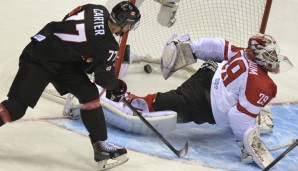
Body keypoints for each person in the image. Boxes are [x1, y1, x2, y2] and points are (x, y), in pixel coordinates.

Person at [0, 1, 141, 170]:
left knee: (89, 94)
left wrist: (78, 51)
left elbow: (70, 16)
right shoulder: (108, 46)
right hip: (39, 58)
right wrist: (118, 86)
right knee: (16, 108)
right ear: (125, 24)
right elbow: (104, 80)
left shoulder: (96, 9)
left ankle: (101, 148)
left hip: (58, 56)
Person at [125, 33, 293, 169]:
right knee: (170, 103)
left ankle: (256, 112)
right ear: (258, 53)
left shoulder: (244, 52)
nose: (274, 58)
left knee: (240, 100)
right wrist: (246, 144)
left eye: (273, 53)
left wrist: (193, 48)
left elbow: (220, 47)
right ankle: (132, 102)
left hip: (210, 71)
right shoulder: (263, 84)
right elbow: (238, 117)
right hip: (204, 101)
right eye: (269, 54)